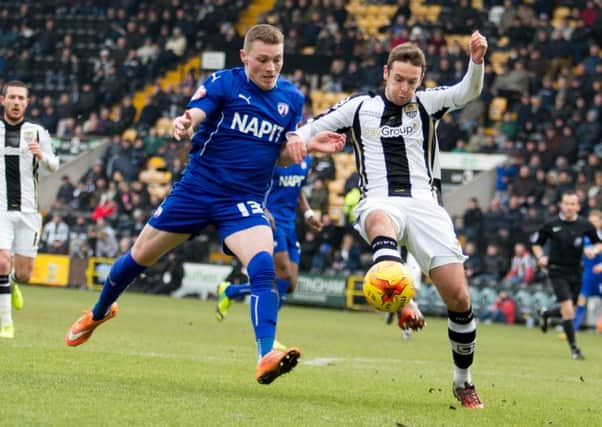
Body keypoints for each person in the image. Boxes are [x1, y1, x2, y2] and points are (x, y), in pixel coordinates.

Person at [64, 24, 344, 385]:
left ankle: (265, 354)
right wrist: (185, 123)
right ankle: (98, 313)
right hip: (196, 191)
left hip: (242, 200)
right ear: (244, 57)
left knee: (263, 267)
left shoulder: (291, 99)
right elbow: (196, 113)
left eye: (277, 60)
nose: (270, 67)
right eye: (262, 60)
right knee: (137, 259)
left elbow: (279, 156)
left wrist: (305, 147)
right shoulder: (223, 83)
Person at [285, 31, 488, 408]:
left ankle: (464, 380)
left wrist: (475, 61)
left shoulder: (427, 104)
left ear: (420, 80)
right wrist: (298, 138)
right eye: (398, 79)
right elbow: (313, 125)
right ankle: (400, 298)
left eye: (412, 81)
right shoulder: (360, 107)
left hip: (426, 206)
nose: (404, 88)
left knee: (459, 297)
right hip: (378, 200)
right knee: (380, 218)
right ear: (385, 73)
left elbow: (466, 92)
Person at [215, 155, 322, 338]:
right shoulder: (275, 158)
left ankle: (231, 291)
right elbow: (256, 186)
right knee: (283, 274)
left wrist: (308, 214)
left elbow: (298, 191)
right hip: (271, 223)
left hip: (289, 225)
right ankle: (269, 337)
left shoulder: (306, 159)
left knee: (290, 284)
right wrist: (263, 209)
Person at [0, 80, 60, 338]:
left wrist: (41, 156)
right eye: (11, 97)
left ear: (27, 102)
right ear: (2, 100)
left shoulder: (38, 132)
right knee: (2, 260)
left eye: (20, 98)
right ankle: (6, 323)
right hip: (1, 209)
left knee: (24, 273)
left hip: (28, 212)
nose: (16, 102)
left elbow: (54, 166)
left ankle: (11, 282)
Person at [532, 191, 602, 360]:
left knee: (570, 308)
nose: (570, 207)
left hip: (576, 272)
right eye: (567, 203)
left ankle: (547, 313)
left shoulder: (585, 225)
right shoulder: (551, 224)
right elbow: (536, 244)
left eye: (573, 204)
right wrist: (541, 257)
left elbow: (598, 243)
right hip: (557, 271)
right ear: (561, 205)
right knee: (568, 309)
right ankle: (574, 349)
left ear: (578, 206)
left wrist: (594, 250)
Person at [573, 210, 602, 331]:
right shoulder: (583, 236)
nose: (593, 223)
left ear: (600, 222)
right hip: (588, 273)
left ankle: (599, 326)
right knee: (581, 298)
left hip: (600, 273)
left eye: (595, 221)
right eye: (591, 221)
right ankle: (573, 327)